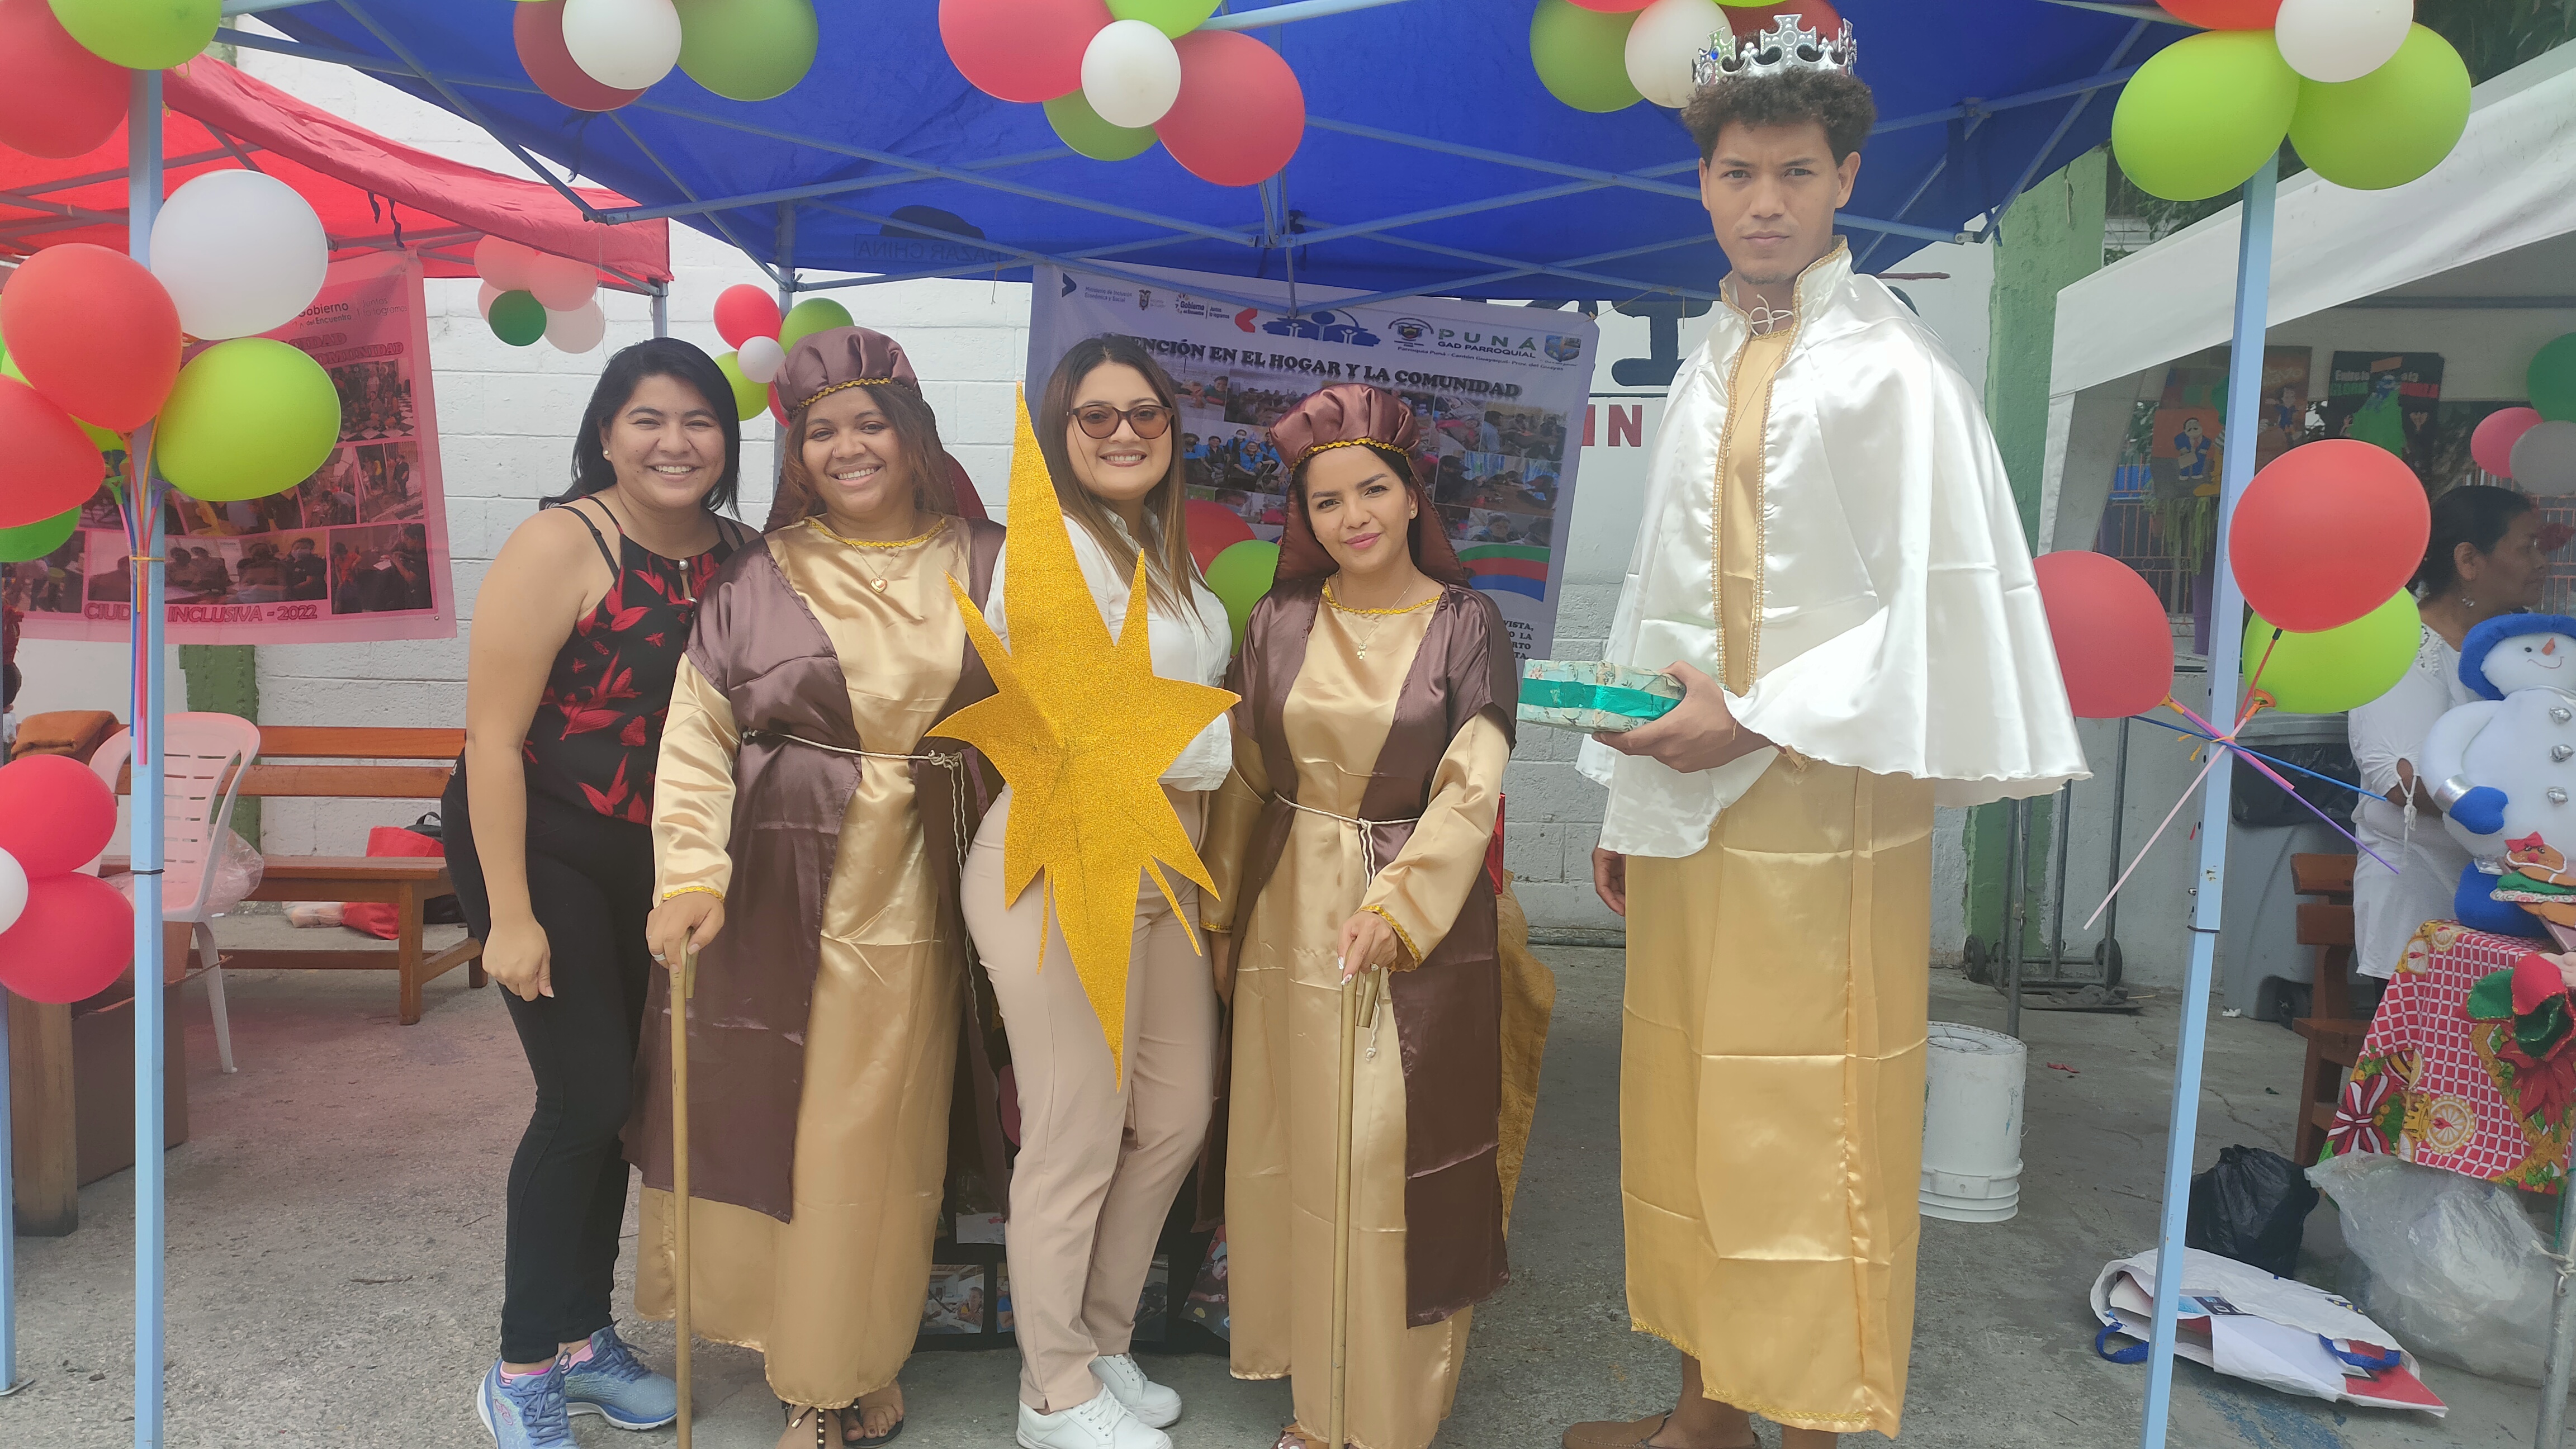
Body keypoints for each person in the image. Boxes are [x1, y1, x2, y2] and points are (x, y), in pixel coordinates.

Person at [1565, 36, 2083, 1448]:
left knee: (1808, 1120)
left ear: (1847, 177)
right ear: (1703, 183)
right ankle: (1705, 1412)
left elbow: (1932, 604)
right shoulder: (1710, 361)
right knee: (1688, 1099)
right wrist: (1623, 792)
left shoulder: (1890, 370)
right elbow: (1660, 593)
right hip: (1693, 797)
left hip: (1823, 803)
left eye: (1796, 172)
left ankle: (1810, 1427)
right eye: (1739, 172)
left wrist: (1752, 715)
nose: (1766, 202)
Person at [631, 325, 1012, 1449]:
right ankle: (802, 1356)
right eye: (821, 431)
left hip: (925, 879)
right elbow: (697, 734)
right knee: (775, 1117)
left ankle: (839, 1366)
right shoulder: (758, 576)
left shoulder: (994, 560)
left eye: (869, 424)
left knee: (874, 1138)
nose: (848, 448)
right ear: (798, 452)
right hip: (771, 882)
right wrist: (689, 873)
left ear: (913, 433)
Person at [1200, 383, 1527, 1449]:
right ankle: (1317, 1400)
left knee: (1387, 1154)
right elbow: (1247, 775)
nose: (1354, 517)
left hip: (1413, 917)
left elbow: (1471, 785)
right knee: (1296, 1147)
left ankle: (1386, 1414)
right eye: (1326, 499)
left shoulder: (1467, 623)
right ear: (1303, 515)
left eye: (1372, 489)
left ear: (1411, 493)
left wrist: (1399, 907)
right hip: (1288, 904)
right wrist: (1219, 916)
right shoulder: (1280, 621)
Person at [445, 337, 749, 1449]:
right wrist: (510, 916)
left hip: (659, 864)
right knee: (580, 1098)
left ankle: (583, 1339)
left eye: (699, 420)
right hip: (539, 844)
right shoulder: (563, 542)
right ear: (606, 434)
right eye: (648, 419)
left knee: (624, 1107)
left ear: (727, 440)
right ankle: (522, 1365)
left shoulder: (745, 556)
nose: (676, 442)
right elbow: (490, 740)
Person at [959, 336, 1232, 1449]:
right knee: (1074, 1127)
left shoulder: (1158, 550)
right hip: (1058, 865)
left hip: (1161, 864)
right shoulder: (1052, 545)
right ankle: (1052, 1390)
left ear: (1172, 428)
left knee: (1174, 1115)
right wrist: (1227, 741)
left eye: (1145, 413)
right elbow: (1091, 728)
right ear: (1061, 435)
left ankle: (1101, 1336)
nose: (1125, 432)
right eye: (1096, 415)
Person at [2348, 485, 2551, 981]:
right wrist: (2530, 820)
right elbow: (2404, 783)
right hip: (2422, 892)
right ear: (2469, 560)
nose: (2541, 563)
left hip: (2521, 889)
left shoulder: (2529, 649)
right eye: (2526, 548)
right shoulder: (2402, 648)